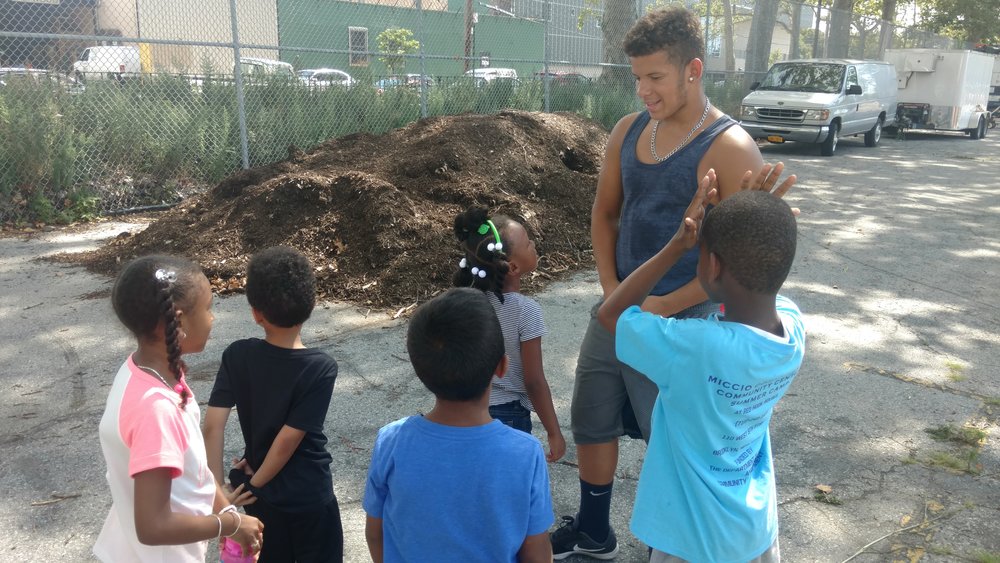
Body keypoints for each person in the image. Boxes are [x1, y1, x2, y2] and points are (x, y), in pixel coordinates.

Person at [551, 6, 797, 558]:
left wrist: (663, 302)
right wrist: (616, 290)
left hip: (688, 319)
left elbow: (739, 257)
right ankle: (595, 530)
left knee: (677, 437)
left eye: (655, 77)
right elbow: (605, 213)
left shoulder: (731, 148)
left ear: (693, 69)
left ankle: (682, 541)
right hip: (623, 305)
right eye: (636, 78)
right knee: (592, 415)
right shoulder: (628, 130)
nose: (643, 90)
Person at [595, 177, 804, 562]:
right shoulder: (793, 327)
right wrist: (761, 221)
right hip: (753, 532)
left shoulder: (692, 347)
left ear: (711, 265)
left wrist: (676, 247)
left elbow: (611, 313)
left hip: (690, 541)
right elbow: (761, 263)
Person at [363, 288, 554, 562]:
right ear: (502, 367)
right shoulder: (525, 453)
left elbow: (375, 534)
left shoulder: (391, 441)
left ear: (419, 370)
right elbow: (536, 554)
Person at [95, 255, 263, 562]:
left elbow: (193, 461)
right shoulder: (156, 409)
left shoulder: (144, 371)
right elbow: (153, 526)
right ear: (178, 320)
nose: (213, 318)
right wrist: (229, 523)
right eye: (209, 308)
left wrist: (223, 510)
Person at [203, 246, 343, 562]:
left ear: (256, 313)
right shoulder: (320, 368)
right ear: (312, 304)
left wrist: (221, 494)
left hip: (259, 501)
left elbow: (212, 425)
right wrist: (256, 482)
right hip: (308, 496)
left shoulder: (237, 355)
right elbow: (287, 441)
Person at [452, 206, 566, 462]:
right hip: (509, 416)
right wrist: (554, 431)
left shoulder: (465, 304)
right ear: (512, 267)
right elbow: (534, 380)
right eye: (527, 243)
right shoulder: (525, 311)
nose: (534, 244)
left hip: (464, 413)